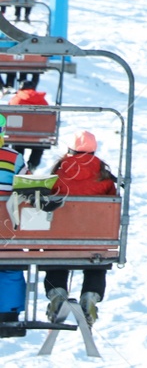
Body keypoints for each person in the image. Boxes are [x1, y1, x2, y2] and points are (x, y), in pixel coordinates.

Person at [42, 131, 117, 326]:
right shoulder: (105, 177)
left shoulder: (57, 174)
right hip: (94, 239)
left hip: (59, 239)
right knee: (96, 261)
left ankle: (57, 292)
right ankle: (90, 295)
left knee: (56, 256)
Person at [0, 129, 23, 338]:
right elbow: (28, 186)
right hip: (7, 235)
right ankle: (8, 315)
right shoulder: (13, 158)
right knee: (10, 268)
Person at [5, 82, 47, 171]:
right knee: (38, 146)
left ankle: (18, 167)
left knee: (18, 143)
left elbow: (9, 118)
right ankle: (32, 167)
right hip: (38, 135)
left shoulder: (16, 99)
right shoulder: (42, 100)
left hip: (18, 135)